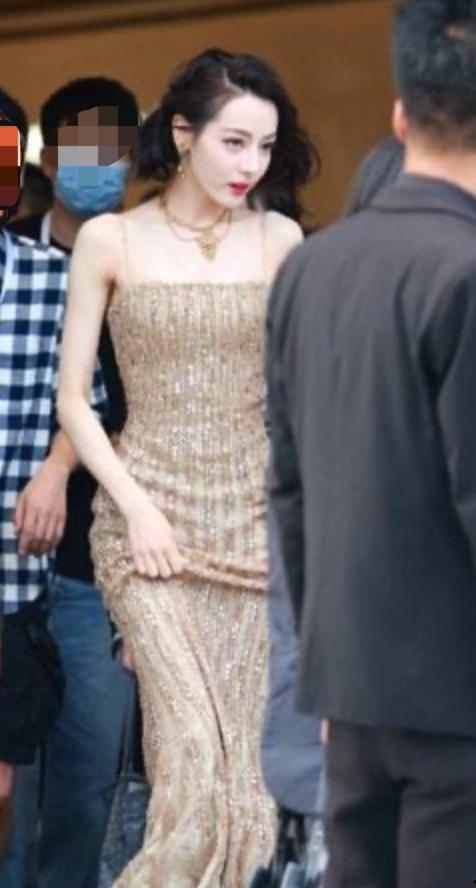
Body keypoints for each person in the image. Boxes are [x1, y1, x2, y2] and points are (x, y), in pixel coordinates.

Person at [58, 48, 316, 887]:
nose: (251, 165)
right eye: (234, 142)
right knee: (193, 768)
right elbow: (74, 402)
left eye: (265, 147)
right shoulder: (110, 239)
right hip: (146, 527)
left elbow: (301, 397)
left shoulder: (279, 239)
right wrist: (136, 510)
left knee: (250, 790)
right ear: (182, 134)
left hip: (252, 529)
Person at [266, 0, 476, 886]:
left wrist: (323, 666)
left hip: (348, 688)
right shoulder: (465, 269)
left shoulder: (309, 269)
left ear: (398, 114)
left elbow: (291, 492)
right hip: (458, 697)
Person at [2, 77, 139, 888]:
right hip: (12, 563)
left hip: (91, 567)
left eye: (116, 151)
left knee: (88, 782)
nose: (101, 166)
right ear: (48, 160)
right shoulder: (21, 256)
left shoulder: (139, 272)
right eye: (85, 149)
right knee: (14, 790)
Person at [0, 98, 72, 858]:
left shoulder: (55, 279)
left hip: (12, 576)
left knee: (4, 789)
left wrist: (54, 470)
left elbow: (91, 403)